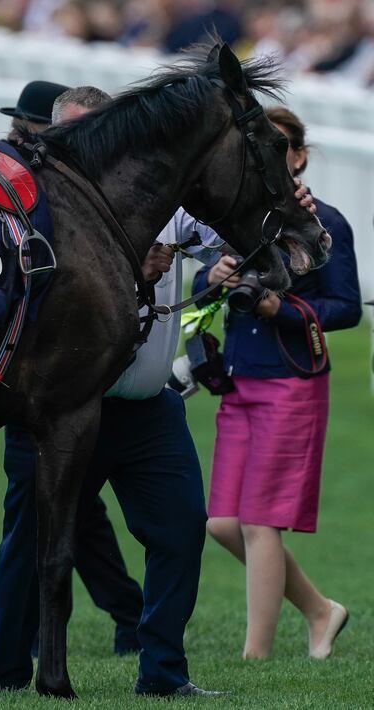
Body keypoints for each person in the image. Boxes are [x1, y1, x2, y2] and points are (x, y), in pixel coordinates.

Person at [0, 84, 146, 694]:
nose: (35, 141)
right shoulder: (24, 191)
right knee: (36, 528)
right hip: (43, 394)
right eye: (40, 130)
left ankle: (130, 624)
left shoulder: (110, 199)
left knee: (75, 523)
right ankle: (6, 663)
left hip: (109, 398)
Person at [194, 105, 361, 661]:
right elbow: (205, 280)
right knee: (222, 523)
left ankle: (254, 656)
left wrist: (279, 306)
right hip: (240, 380)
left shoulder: (327, 222)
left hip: (292, 380)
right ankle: (320, 611)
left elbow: (344, 308)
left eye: (283, 143)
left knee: (261, 521)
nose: (274, 152)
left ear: (300, 154)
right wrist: (211, 275)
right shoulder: (242, 219)